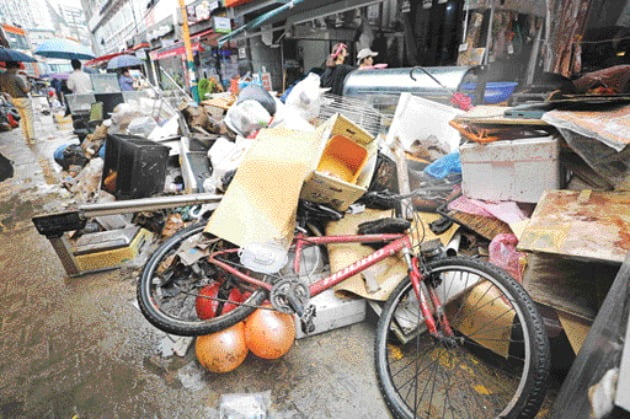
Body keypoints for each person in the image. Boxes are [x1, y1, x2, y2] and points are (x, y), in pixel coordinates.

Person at [0, 61, 35, 144]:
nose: (17, 70)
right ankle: (32, 138)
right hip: (23, 99)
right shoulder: (16, 78)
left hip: (14, 100)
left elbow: (4, 90)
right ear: (13, 67)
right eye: (16, 68)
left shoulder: (2, 78)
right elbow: (25, 90)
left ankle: (26, 139)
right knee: (29, 119)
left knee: (23, 120)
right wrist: (30, 85)